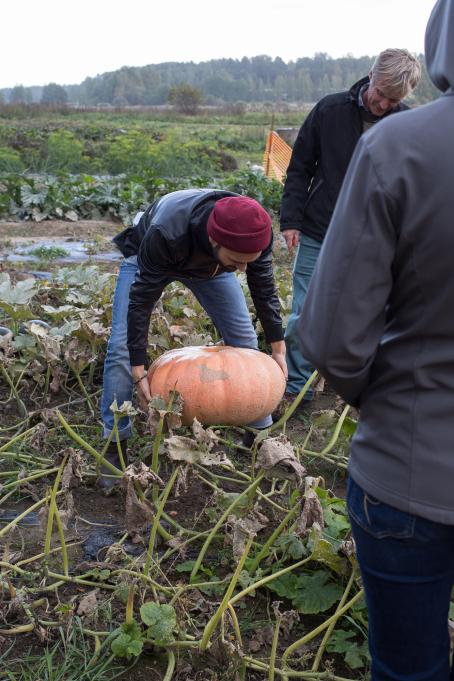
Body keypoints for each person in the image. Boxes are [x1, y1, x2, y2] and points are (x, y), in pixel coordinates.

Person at [298, 0, 454, 676]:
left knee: (409, 669)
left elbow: (333, 339)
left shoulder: (399, 147)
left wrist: (383, 392)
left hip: (411, 471)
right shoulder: (343, 118)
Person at [99, 189, 287, 489]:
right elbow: (142, 300)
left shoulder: (254, 234)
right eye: (238, 261)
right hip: (152, 257)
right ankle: (114, 443)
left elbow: (263, 287)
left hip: (213, 268)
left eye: (249, 261)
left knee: (245, 343)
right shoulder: (166, 233)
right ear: (215, 241)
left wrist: (277, 346)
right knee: (121, 349)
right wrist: (138, 367)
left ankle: (258, 435)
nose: (243, 269)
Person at [280, 48, 421, 407]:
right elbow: (299, 168)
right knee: (303, 312)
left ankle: (358, 388)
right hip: (319, 228)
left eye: (393, 100)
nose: (383, 105)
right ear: (371, 76)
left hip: (375, 236)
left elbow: (412, 183)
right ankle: (298, 388)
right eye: (381, 94)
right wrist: (291, 220)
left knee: (368, 313)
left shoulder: (405, 124)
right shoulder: (330, 111)